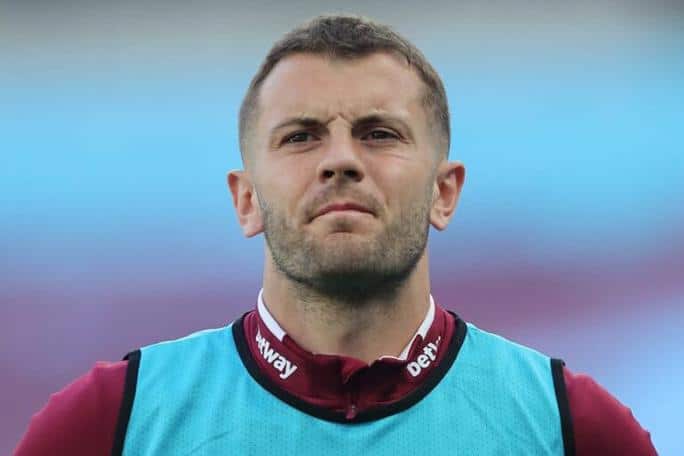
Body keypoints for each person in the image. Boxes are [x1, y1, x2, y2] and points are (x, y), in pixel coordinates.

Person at [15, 14, 656, 456]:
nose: (341, 160)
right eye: (301, 136)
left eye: (379, 133)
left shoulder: (570, 428)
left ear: (444, 191)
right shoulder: (113, 421)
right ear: (246, 200)